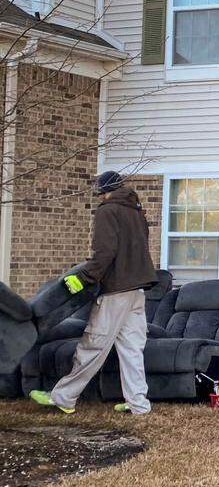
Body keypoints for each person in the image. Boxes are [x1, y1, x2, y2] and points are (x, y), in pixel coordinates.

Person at [30, 171, 158, 415]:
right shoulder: (136, 212)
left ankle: (64, 397)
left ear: (103, 191)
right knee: (132, 348)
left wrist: (85, 277)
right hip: (137, 290)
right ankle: (139, 405)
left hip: (116, 291)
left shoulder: (107, 211)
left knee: (93, 344)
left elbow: (105, 252)